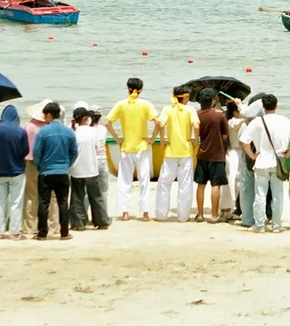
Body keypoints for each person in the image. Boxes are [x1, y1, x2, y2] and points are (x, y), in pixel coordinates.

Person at [241, 94, 290, 233]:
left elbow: (244, 140)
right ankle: (276, 226)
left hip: (261, 162)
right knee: (277, 196)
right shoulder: (285, 121)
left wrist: (252, 155)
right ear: (276, 105)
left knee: (260, 195)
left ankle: (259, 225)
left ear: (263, 107)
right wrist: (287, 154)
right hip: (278, 162)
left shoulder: (257, 122)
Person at [105, 78, 156, 222]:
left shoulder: (121, 104)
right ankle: (145, 213)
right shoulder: (146, 104)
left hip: (126, 147)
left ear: (128, 88)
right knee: (144, 180)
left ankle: (125, 213)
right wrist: (152, 138)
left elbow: (108, 123)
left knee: (124, 180)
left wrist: (117, 139)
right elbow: (158, 122)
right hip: (142, 147)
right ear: (141, 90)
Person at [154, 85, 199, 223]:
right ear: (185, 97)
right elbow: (196, 125)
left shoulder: (167, 109)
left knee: (164, 183)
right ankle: (183, 216)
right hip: (186, 150)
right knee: (185, 184)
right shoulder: (190, 110)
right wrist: (195, 140)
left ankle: (161, 215)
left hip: (170, 151)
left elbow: (161, 124)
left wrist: (162, 140)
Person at [33, 101, 77, 240]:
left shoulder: (43, 132)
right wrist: (67, 164)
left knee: (43, 203)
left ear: (49, 115)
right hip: (62, 172)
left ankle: (42, 233)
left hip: (46, 171)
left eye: (44, 115)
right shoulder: (69, 132)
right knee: (63, 203)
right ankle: (64, 233)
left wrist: (39, 166)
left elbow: (36, 153)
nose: (44, 118)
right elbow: (74, 152)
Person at [0, 104, 29, 240]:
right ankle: (14, 232)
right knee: (16, 202)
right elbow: (25, 151)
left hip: (0, 170)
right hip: (17, 171)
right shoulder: (21, 131)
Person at [194, 88, 230, 224]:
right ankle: (214, 215)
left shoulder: (197, 114)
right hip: (217, 154)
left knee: (201, 184)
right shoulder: (219, 115)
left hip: (202, 153)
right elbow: (225, 135)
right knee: (216, 185)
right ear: (213, 100)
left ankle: (200, 214)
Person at [23, 102, 59, 235]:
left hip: (31, 162)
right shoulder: (50, 128)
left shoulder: (29, 126)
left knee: (31, 196)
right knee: (51, 196)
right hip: (48, 163)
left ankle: (30, 226)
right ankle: (53, 225)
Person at [69, 107, 106, 231]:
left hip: (76, 169)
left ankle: (78, 223)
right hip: (91, 168)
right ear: (87, 118)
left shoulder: (73, 133)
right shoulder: (94, 132)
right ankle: (101, 221)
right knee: (96, 196)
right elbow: (97, 148)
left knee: (77, 197)